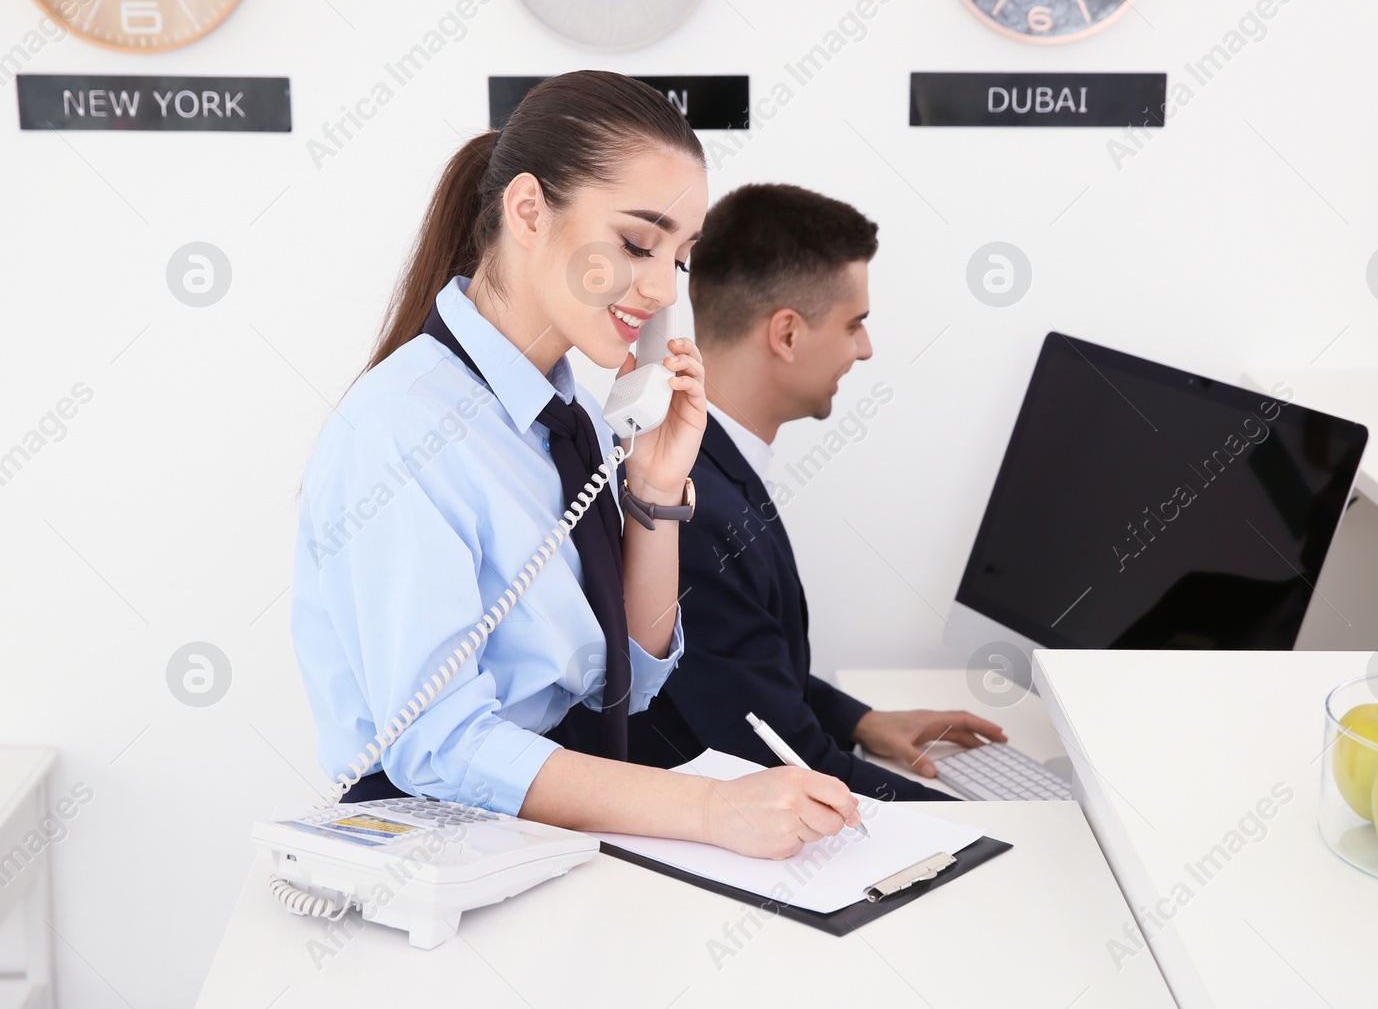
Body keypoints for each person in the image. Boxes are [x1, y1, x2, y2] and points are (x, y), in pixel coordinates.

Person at [290, 73, 861, 860]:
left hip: (553, 835)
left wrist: (657, 495)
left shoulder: (576, 419)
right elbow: (438, 743)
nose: (662, 290)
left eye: (681, 258)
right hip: (445, 849)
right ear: (528, 211)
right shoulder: (402, 428)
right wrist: (708, 809)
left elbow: (629, 682)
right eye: (636, 244)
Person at [628, 183, 1007, 802]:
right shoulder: (694, 512)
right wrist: (1004, 829)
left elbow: (744, 672)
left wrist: (860, 720)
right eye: (854, 324)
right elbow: (800, 773)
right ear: (787, 334)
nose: (865, 347)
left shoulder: (720, 470)